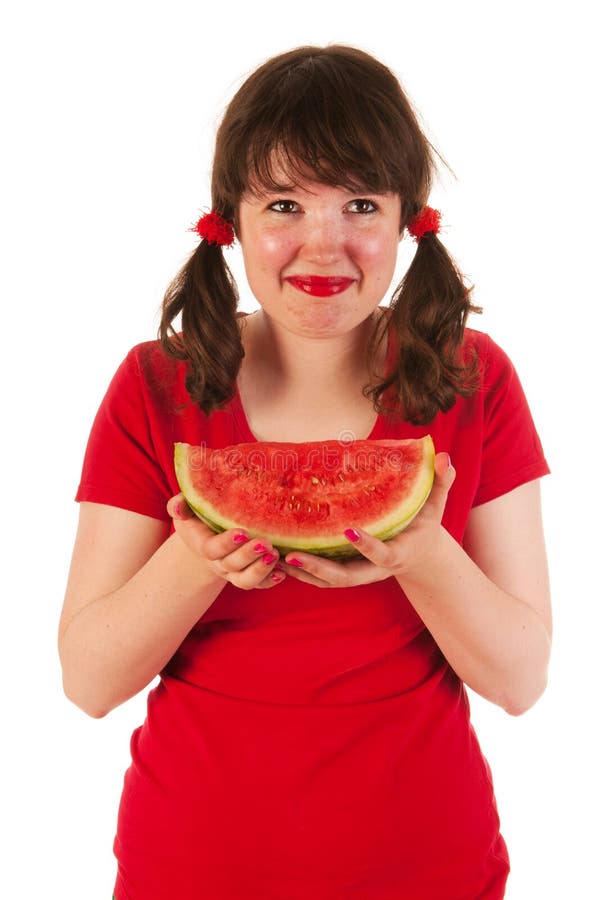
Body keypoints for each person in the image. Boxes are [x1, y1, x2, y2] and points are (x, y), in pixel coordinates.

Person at [58, 45, 552, 900]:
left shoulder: (476, 380)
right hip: (194, 866)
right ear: (231, 220)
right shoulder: (155, 385)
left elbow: (520, 680)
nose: (323, 247)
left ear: (408, 220)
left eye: (360, 203)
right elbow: (89, 681)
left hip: (426, 865)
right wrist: (195, 560)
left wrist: (424, 552)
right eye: (284, 203)